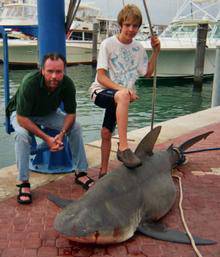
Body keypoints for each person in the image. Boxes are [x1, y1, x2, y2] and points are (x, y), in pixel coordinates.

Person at [6, 53, 94, 204]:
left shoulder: (67, 84)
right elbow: (22, 118)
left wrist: (62, 134)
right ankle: (24, 182)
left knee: (76, 127)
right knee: (21, 136)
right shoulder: (30, 82)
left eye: (58, 72)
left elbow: (71, 114)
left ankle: (81, 172)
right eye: (50, 71)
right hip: (22, 114)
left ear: (64, 71)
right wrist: (47, 139)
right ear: (42, 70)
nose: (54, 76)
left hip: (47, 112)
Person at [89, 4, 161, 178]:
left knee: (106, 132)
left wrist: (156, 52)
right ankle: (123, 148)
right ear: (121, 24)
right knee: (121, 96)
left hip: (121, 99)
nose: (131, 29)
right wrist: (124, 90)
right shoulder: (108, 44)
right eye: (127, 25)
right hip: (102, 92)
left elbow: (147, 73)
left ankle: (103, 172)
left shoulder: (138, 48)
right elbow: (101, 77)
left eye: (135, 26)